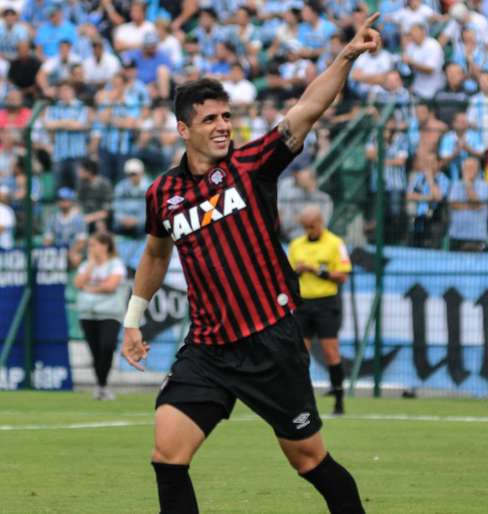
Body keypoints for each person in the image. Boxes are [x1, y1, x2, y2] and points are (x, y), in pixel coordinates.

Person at [119, 15, 384, 514]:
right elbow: (156, 253)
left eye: (226, 117)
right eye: (209, 120)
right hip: (208, 350)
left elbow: (307, 109)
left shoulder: (251, 165)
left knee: (309, 461)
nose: (223, 126)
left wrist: (347, 56)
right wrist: (133, 319)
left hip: (271, 342)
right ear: (183, 130)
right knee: (167, 455)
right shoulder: (164, 194)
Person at [288, 205, 352, 415]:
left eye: (311, 226)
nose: (309, 230)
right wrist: (296, 272)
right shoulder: (296, 245)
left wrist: (316, 270)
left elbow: (342, 275)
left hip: (325, 303)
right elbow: (287, 275)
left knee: (330, 352)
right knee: (298, 355)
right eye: (305, 227)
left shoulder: (335, 243)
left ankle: (339, 400)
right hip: (303, 305)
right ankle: (301, 401)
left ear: (321, 222)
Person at [73, 231, 127, 400]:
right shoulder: (86, 264)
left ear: (105, 246)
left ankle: (102, 384)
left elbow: (111, 286)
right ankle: (101, 386)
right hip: (88, 313)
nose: (91, 248)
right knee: (95, 350)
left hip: (110, 313)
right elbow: (78, 283)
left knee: (107, 347)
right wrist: (90, 263)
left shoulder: (116, 264)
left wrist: (90, 288)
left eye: (93, 245)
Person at [447, 157, 488, 251]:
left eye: (471, 168)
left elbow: (478, 204)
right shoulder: (456, 184)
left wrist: (467, 183)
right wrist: (472, 206)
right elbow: (452, 205)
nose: (468, 171)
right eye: (466, 168)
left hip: (477, 236)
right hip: (456, 235)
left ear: (478, 170)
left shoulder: (484, 186)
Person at [112, 158, 151, 238]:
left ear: (141, 173)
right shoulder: (120, 187)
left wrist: (137, 221)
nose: (132, 177)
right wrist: (123, 219)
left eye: (134, 174)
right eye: (130, 174)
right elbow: (116, 207)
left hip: (142, 223)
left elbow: (150, 210)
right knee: (115, 227)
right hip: (123, 222)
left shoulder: (150, 187)